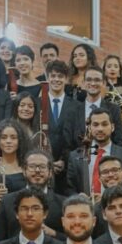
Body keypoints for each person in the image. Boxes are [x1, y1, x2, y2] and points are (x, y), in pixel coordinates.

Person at [0, 150, 66, 242]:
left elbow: (73, 241)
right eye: (32, 166)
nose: (37, 170)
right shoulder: (7, 201)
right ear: (24, 171)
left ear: (50, 172)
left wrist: (53, 233)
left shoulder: (63, 203)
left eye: (42, 167)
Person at [67, 107, 122, 196]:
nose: (100, 129)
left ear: (112, 127)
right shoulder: (75, 156)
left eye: (104, 124)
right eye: (95, 125)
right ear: (89, 128)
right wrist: (79, 198)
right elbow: (69, 190)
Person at [42, 60, 85, 193]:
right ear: (47, 78)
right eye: (53, 76)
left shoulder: (77, 107)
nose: (56, 79)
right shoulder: (38, 103)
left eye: (60, 76)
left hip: (68, 169)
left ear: (66, 79)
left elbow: (78, 138)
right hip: (41, 166)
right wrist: (47, 161)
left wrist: (64, 161)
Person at [76, 66, 122, 147]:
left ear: (104, 83)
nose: (93, 83)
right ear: (83, 83)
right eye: (89, 80)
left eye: (97, 80)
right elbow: (68, 143)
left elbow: (119, 141)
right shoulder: (73, 110)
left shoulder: (114, 110)